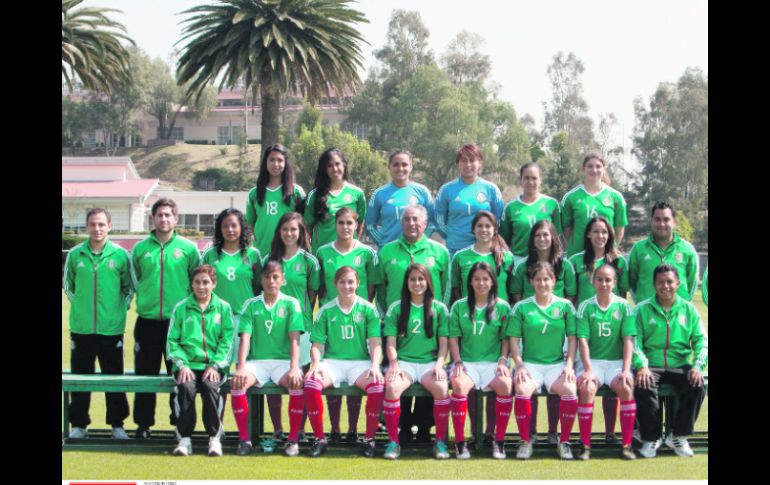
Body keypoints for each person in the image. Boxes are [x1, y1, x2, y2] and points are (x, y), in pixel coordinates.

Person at [376, 204, 450, 442]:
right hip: (397, 322)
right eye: (407, 219)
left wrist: (437, 312)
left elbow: (446, 286)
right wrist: (390, 312)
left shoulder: (439, 252)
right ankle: (403, 430)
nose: (411, 224)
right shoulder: (387, 251)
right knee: (399, 376)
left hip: (429, 321)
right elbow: (380, 287)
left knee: (430, 378)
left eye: (416, 220)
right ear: (401, 222)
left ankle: (426, 429)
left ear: (425, 224)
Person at [131, 198, 201, 439]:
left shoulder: (189, 249)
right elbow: (135, 279)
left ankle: (179, 425)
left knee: (180, 376)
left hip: (178, 324)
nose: (164, 219)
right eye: (159, 215)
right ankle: (143, 425)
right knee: (144, 376)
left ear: (176, 218)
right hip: (147, 322)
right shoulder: (141, 249)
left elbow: (196, 283)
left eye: (168, 215)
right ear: (153, 218)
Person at [64, 208, 134, 440]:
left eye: (102, 224)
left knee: (113, 379)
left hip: (111, 329)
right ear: (87, 227)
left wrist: (116, 311)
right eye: (93, 224)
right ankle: (79, 425)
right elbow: (69, 286)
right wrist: (82, 308)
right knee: (80, 378)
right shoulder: (75, 255)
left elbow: (128, 288)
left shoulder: (120, 255)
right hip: (81, 329)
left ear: (110, 226)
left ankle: (117, 425)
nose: (97, 229)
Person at [449, 210, 515, 444]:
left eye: (488, 226)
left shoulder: (506, 257)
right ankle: (476, 432)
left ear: (495, 229)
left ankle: (491, 432)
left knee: (497, 382)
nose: (484, 230)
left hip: (497, 320)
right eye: (480, 226)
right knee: (472, 387)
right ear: (473, 229)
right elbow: (456, 288)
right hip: (471, 317)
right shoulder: (460, 257)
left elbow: (514, 291)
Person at [303, 266, 384, 458]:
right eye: (342, 282)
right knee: (311, 384)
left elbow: (375, 342)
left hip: (360, 363)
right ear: (335, 284)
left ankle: (369, 440)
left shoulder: (368, 309)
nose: (346, 286)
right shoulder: (325, 310)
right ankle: (320, 438)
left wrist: (374, 365)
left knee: (377, 386)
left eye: (350, 282)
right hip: (332, 363)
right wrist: (314, 365)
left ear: (357, 283)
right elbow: (316, 345)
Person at [315, 208, 380, 442]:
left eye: (349, 223)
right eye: (341, 222)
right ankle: (333, 429)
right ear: (335, 224)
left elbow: (371, 286)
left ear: (357, 225)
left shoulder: (367, 253)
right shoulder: (323, 252)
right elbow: (318, 286)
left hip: (358, 316)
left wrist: (361, 310)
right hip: (332, 316)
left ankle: (354, 430)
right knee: (331, 379)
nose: (345, 227)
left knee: (356, 378)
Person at [229, 261, 306, 456]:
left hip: (282, 363)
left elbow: (294, 339)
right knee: (238, 383)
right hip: (257, 363)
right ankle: (245, 440)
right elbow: (245, 339)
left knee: (297, 383)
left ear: (283, 280)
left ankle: (292, 440)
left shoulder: (291, 303)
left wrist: (295, 367)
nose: (271, 281)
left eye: (275, 277)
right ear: (261, 279)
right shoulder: (251, 304)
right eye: (267, 277)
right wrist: (241, 367)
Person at [633, 264, 708, 459]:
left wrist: (698, 367)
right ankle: (651, 438)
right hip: (651, 364)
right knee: (643, 384)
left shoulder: (689, 310)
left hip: (680, 363)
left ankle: (679, 436)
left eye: (669, 282)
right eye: (660, 282)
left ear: (678, 283)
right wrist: (642, 366)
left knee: (697, 385)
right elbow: (634, 341)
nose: (665, 286)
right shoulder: (642, 310)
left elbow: (702, 340)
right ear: (654, 284)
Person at [505, 261, 578, 460]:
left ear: (554, 281)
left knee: (570, 390)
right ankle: (525, 441)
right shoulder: (521, 307)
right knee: (522, 389)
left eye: (546, 279)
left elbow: (573, 339)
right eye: (538, 279)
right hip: (530, 365)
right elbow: (513, 340)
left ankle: (564, 442)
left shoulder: (565, 306)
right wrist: (519, 365)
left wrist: (570, 366)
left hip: (556, 364)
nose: (542, 283)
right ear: (531, 282)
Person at [382, 264, 452, 460]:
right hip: (404, 362)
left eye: (421, 279)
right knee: (392, 387)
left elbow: (444, 343)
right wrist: (394, 364)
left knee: (441, 387)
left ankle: (439, 442)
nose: (417, 283)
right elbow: (391, 342)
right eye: (412, 279)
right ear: (406, 282)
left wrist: (439, 364)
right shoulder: (396, 308)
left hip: (430, 362)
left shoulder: (439, 309)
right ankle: (393, 442)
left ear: (428, 282)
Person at [166, 265, 234, 457]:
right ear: (191, 284)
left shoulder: (224, 308)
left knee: (211, 388)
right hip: (187, 365)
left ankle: (214, 437)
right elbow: (172, 341)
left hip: (213, 366)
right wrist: (182, 364)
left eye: (206, 282)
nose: (201, 286)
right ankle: (184, 439)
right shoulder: (181, 308)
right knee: (185, 388)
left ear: (214, 284)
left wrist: (215, 365)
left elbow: (227, 341)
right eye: (197, 282)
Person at [448, 262, 513, 460]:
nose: (481, 283)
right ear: (470, 282)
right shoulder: (459, 306)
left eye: (485, 279)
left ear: (493, 281)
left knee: (505, 384)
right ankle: (460, 443)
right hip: (466, 363)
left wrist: (502, 361)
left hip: (493, 363)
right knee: (459, 385)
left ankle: (498, 441)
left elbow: (505, 339)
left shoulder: (502, 306)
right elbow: (453, 338)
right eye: (476, 279)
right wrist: (457, 362)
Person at [266, 212, 321, 439]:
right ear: (279, 232)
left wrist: (303, 318)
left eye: (294, 230)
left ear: (301, 233)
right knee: (273, 380)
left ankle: (299, 429)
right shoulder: (269, 261)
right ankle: (278, 429)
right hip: (274, 329)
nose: (289, 233)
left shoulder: (310, 261)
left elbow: (312, 294)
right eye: (285, 229)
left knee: (302, 380)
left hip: (303, 329)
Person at [574, 264, 637, 460]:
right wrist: (588, 369)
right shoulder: (585, 306)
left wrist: (626, 370)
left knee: (626, 387)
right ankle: (585, 445)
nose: (604, 283)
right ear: (593, 282)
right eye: (599, 279)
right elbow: (582, 341)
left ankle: (627, 444)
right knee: (587, 388)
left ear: (615, 283)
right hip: (592, 362)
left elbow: (628, 340)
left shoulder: (624, 306)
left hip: (616, 362)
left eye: (608, 280)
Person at [435, 143, 505, 256]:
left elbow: (499, 220)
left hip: (484, 251)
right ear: (458, 163)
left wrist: (488, 236)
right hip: (455, 250)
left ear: (480, 163)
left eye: (472, 160)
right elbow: (439, 221)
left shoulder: (491, 189)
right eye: (463, 160)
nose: (468, 164)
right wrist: (453, 235)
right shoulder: (446, 190)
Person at [627, 202, 699, 304]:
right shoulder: (638, 249)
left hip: (678, 315)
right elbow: (632, 281)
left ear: (674, 222)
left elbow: (692, 282)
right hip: (646, 315)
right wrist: (641, 304)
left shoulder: (687, 249)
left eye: (666, 219)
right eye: (657, 219)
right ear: (651, 221)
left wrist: (684, 305)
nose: (661, 224)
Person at [561, 151, 628, 258]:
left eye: (598, 166)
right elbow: (566, 229)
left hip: (606, 257)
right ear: (583, 169)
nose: (594, 170)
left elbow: (619, 227)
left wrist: (611, 248)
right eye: (590, 166)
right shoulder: (570, 197)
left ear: (604, 169)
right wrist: (576, 245)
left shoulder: (616, 197)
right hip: (577, 255)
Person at [365, 149, 436, 250]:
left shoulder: (422, 192)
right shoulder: (379, 194)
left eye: (404, 164)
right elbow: (370, 226)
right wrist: (383, 242)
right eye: (396, 165)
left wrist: (420, 240)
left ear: (411, 167)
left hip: (416, 250)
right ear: (389, 167)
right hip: (389, 253)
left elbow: (432, 222)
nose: (400, 168)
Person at [245, 144, 306, 257]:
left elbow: (304, 223)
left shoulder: (296, 192)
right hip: (262, 253)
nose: (276, 164)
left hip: (289, 254)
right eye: (272, 160)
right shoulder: (254, 193)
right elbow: (250, 224)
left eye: (280, 160)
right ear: (265, 163)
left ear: (286, 163)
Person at [304, 148, 367, 252]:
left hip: (349, 257)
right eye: (329, 166)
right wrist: (311, 251)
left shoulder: (357, 194)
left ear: (344, 165)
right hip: (323, 258)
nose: (334, 168)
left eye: (337, 164)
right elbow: (306, 227)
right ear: (324, 169)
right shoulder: (315, 196)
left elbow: (360, 223)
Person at [500, 162, 562, 262]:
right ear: (521, 180)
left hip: (546, 262)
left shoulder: (552, 204)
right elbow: (504, 239)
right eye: (526, 178)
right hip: (519, 260)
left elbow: (557, 236)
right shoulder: (510, 207)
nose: (530, 182)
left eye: (534, 178)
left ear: (540, 180)